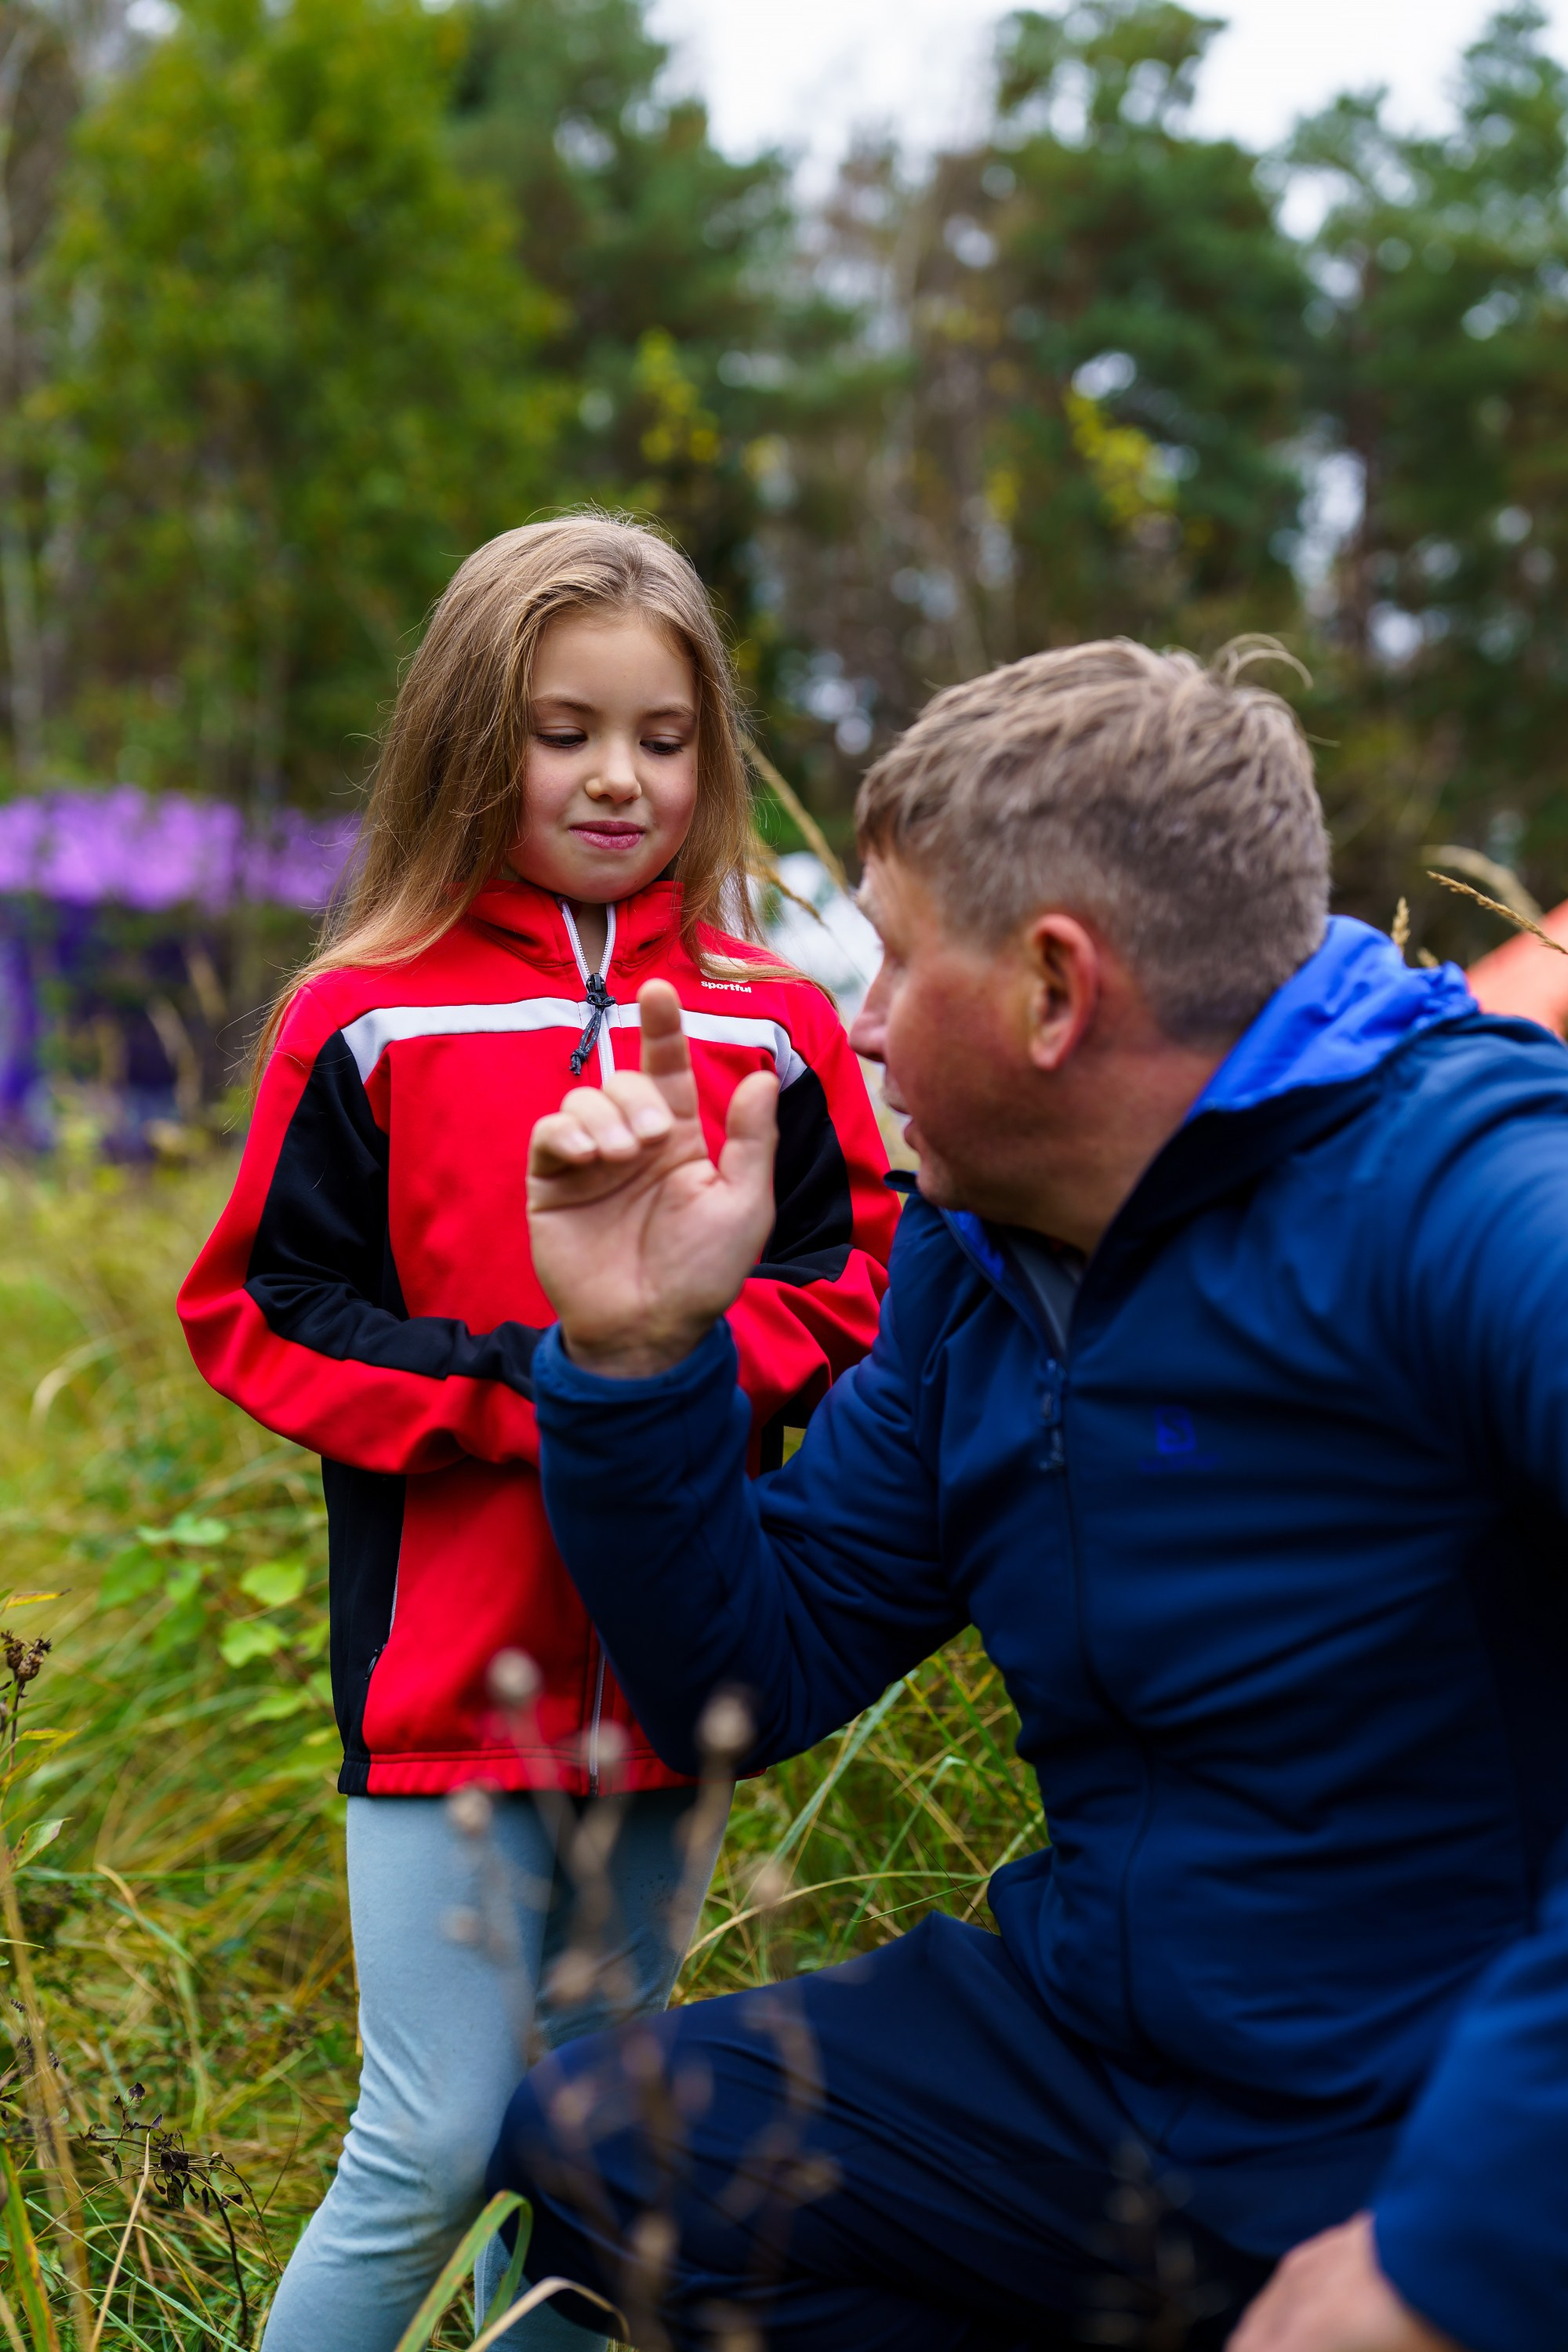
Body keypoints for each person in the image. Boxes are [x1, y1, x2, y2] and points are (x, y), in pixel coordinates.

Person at [492, 638, 1568, 2352]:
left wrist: (1466, 2242)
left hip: (1437, 2110)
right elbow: (745, 1678)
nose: (849, 1019)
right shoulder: (979, 1256)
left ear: (1053, 993)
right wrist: (635, 1365)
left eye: (895, 956)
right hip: (1105, 2066)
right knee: (604, 2161)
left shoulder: (1472, 1187)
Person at [177, 516, 898, 2352]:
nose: (614, 778)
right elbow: (258, 1310)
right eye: (561, 729)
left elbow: (854, 1283)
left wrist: (673, 1372)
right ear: (466, 736)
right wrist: (548, 1382)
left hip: (680, 1661)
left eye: (661, 738)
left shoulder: (779, 1025)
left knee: (608, 2152)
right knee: (428, 2143)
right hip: (443, 1680)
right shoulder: (368, 1018)